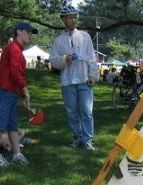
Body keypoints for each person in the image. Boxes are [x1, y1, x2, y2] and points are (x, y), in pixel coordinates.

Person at [50, 5, 99, 151]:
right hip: (67, 81)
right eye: (70, 18)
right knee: (72, 112)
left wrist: (93, 75)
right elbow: (53, 61)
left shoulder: (85, 36)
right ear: (64, 20)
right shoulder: (58, 40)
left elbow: (91, 57)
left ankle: (88, 139)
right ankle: (77, 137)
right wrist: (65, 59)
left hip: (84, 79)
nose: (73, 20)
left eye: (75, 17)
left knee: (86, 110)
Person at [0, 22, 36, 166]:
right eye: (28, 32)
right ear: (19, 32)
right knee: (0, 124)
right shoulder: (13, 48)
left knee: (12, 125)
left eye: (31, 33)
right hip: (3, 91)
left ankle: (16, 154)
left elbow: (17, 74)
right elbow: (15, 72)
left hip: (10, 92)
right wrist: (25, 89)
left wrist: (22, 93)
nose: (30, 35)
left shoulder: (18, 50)